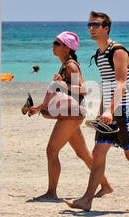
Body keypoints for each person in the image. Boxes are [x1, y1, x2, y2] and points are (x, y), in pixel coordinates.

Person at [66, 11, 129, 213]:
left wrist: (109, 110)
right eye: (89, 24)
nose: (91, 28)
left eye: (95, 25)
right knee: (98, 153)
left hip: (123, 111)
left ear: (106, 28)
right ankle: (87, 199)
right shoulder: (99, 55)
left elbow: (121, 83)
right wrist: (101, 111)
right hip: (109, 112)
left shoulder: (118, 51)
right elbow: (106, 85)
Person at [24, 31, 109, 202]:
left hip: (72, 116)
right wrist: (38, 108)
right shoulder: (64, 66)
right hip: (71, 114)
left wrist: (62, 84)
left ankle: (51, 193)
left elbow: (83, 89)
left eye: (57, 43)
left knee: (51, 150)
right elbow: (61, 93)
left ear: (66, 47)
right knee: (83, 154)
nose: (52, 46)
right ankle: (105, 186)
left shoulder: (71, 66)